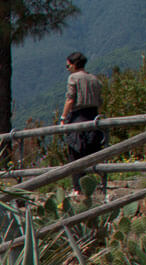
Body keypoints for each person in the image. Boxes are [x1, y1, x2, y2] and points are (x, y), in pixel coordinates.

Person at [60, 51, 106, 195]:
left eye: (68, 65)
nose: (67, 68)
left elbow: (70, 99)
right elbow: (100, 101)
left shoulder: (73, 78)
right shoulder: (94, 79)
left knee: (76, 153)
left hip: (78, 117)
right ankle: (97, 186)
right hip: (93, 117)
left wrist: (63, 118)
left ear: (74, 65)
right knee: (93, 153)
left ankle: (77, 188)